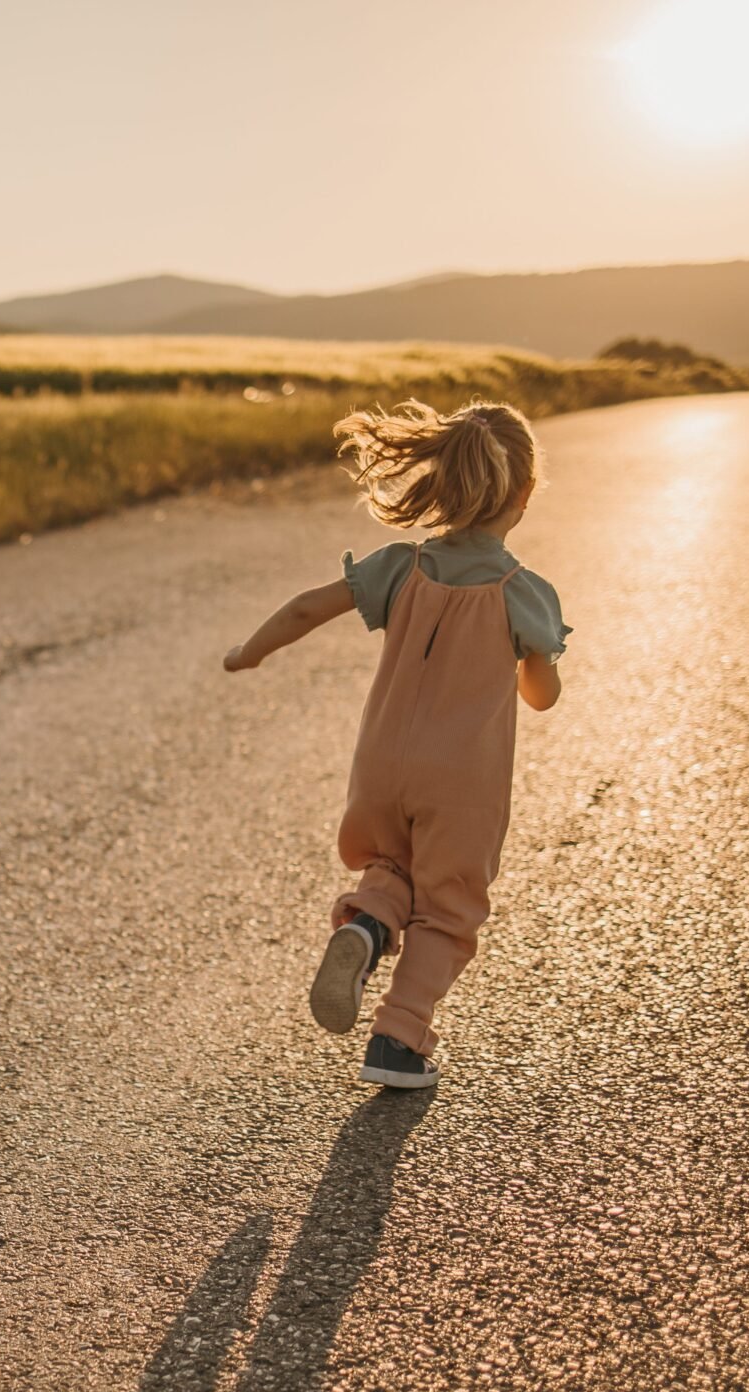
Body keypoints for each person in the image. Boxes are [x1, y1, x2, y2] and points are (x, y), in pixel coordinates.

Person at [222, 399, 569, 1091]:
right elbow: (542, 693)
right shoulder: (522, 592)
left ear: (441, 482)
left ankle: (369, 928)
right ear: (524, 496)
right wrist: (534, 657)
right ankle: (398, 1038)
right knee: (448, 907)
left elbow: (305, 607)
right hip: (461, 783)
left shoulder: (400, 566)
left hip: (380, 767)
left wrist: (248, 652)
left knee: (391, 865)